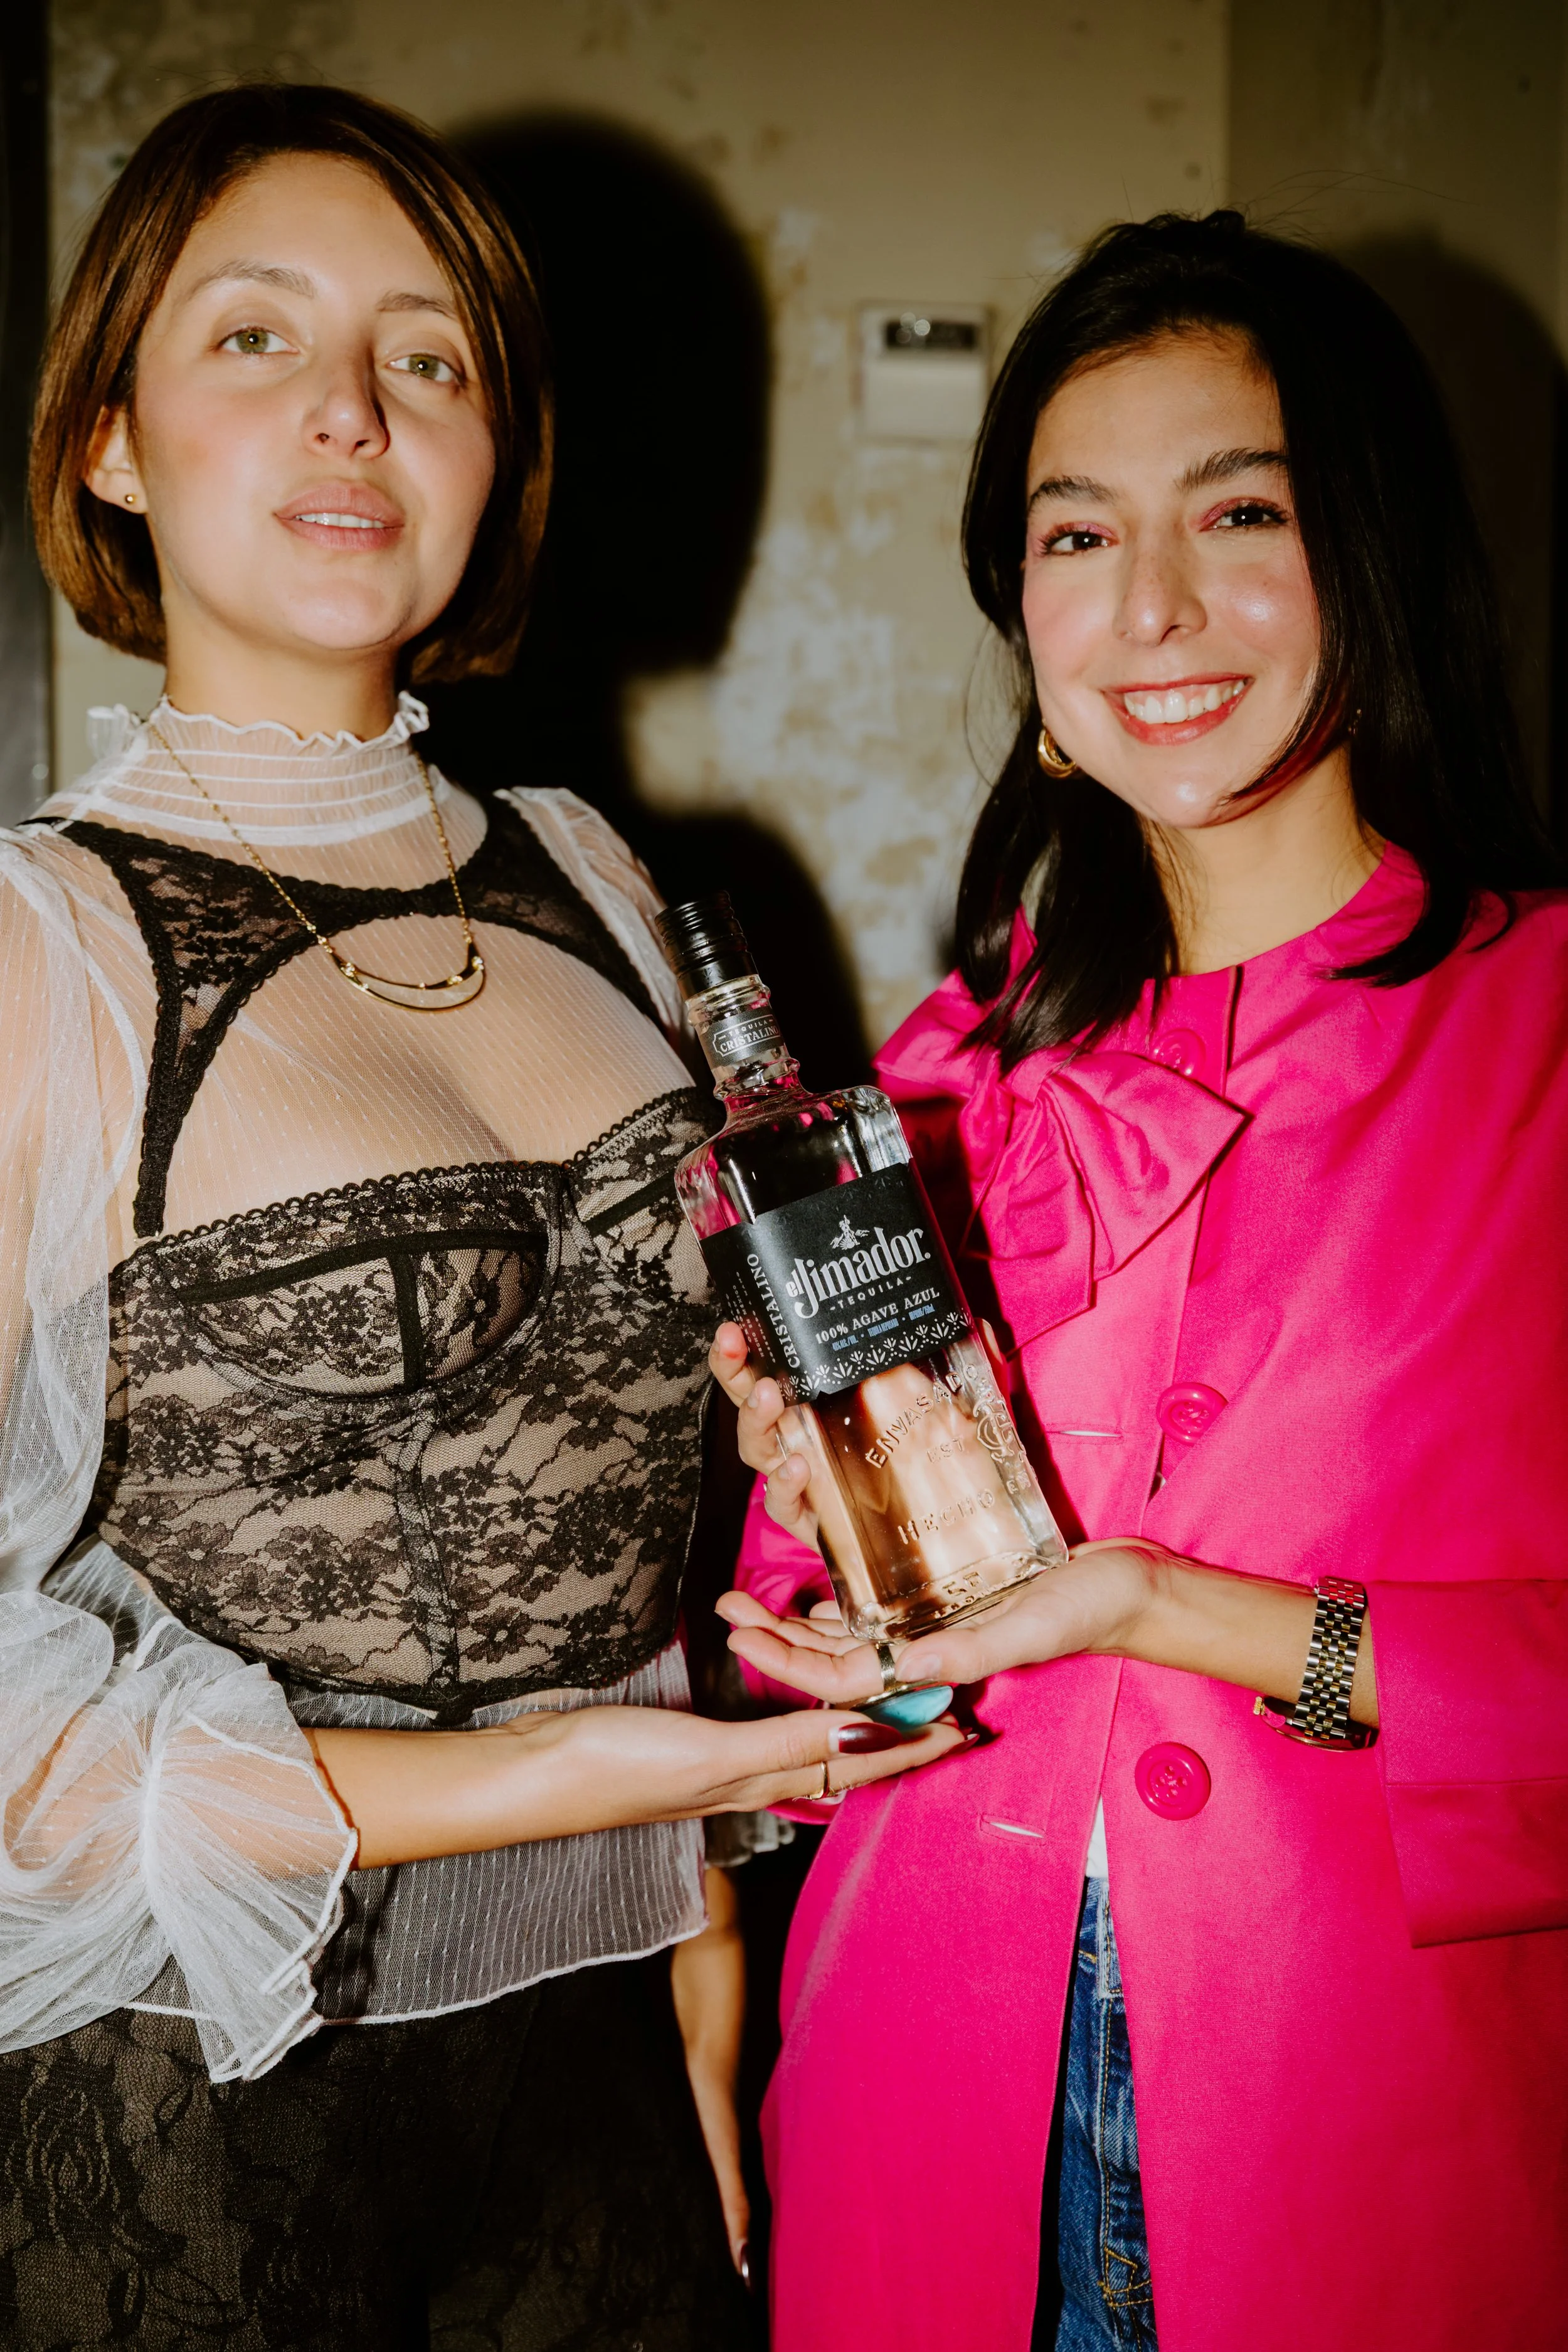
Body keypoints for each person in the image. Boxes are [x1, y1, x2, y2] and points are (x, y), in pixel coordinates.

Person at [0, 82, 961, 2351]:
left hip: (607, 2084)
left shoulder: (610, 881)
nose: (351, 409)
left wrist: (701, 1954)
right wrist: (558, 1774)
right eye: (255, 338)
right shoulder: (37, 943)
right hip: (197, 2136)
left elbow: (665, 1520)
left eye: (426, 357)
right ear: (113, 441)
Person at [711, 210, 1568, 2351]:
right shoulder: (938, 1076)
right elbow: (867, 1690)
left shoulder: (1543, 1030)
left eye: (1241, 510)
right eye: (1073, 534)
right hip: (925, 2111)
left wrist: (1166, 1609)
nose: (1151, 606)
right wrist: (834, 1569)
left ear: (1370, 546)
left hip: (1373, 2141)